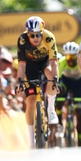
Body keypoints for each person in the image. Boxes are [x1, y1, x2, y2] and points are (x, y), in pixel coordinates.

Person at [15, 16, 60, 149]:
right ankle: (31, 141)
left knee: (51, 76)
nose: (35, 38)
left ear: (42, 32)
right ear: (27, 33)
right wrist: (19, 81)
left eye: (38, 35)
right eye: (32, 35)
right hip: (30, 66)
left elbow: (54, 62)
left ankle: (51, 109)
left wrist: (56, 79)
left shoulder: (49, 37)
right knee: (31, 101)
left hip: (45, 62)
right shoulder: (22, 40)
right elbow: (21, 65)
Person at [57, 41, 81, 146]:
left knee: (79, 111)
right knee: (59, 97)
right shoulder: (62, 62)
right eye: (68, 57)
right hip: (66, 82)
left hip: (78, 84)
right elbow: (58, 79)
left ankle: (79, 139)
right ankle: (59, 122)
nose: (70, 60)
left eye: (73, 57)